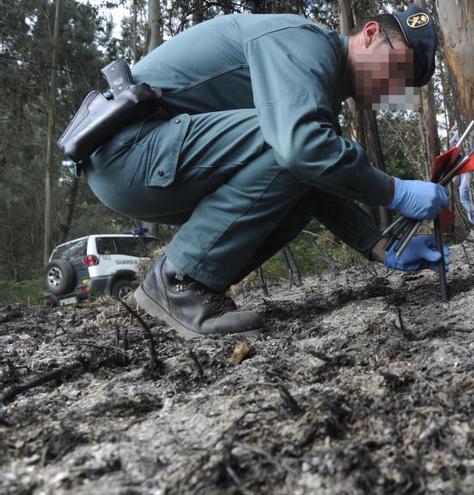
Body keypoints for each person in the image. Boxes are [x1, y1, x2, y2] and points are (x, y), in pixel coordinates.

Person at [82, 5, 449, 338]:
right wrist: (395, 191)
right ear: (369, 34)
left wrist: (379, 246)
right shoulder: (305, 43)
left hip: (150, 166)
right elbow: (299, 149)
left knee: (305, 172)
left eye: (406, 85)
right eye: (398, 69)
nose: (395, 88)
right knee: (297, 146)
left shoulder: (318, 91)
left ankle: (193, 288)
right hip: (128, 151)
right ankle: (179, 282)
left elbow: (310, 175)